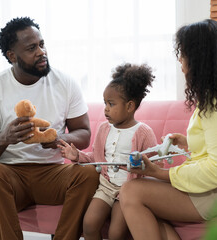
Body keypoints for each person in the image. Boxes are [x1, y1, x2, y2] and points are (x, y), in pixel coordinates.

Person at [118, 19, 217, 240]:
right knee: (141, 194)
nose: (179, 59)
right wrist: (188, 142)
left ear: (199, 59)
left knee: (130, 192)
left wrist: (162, 174)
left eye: (183, 53)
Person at [0, 17, 99, 240]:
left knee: (89, 173)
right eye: (31, 48)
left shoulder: (65, 83)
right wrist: (4, 138)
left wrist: (59, 138)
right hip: (11, 174)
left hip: (53, 173)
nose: (41, 52)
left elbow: (84, 134)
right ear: (12, 56)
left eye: (42, 44)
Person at [58, 63, 157, 240]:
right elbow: (97, 158)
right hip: (105, 186)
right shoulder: (104, 129)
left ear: (130, 106)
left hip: (128, 190)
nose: (105, 109)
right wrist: (77, 156)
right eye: (105, 103)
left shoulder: (144, 132)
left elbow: (155, 166)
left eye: (111, 104)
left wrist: (142, 169)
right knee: (88, 225)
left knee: (115, 233)